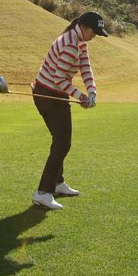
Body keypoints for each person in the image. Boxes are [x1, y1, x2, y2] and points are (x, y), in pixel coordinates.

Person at [31, 11, 108, 210]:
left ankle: (57, 184)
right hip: (49, 94)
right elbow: (59, 79)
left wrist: (92, 91)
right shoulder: (70, 44)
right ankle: (43, 193)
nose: (94, 36)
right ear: (83, 26)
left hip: (55, 93)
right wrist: (81, 96)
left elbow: (85, 67)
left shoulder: (80, 41)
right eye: (93, 32)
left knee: (60, 140)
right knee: (63, 142)